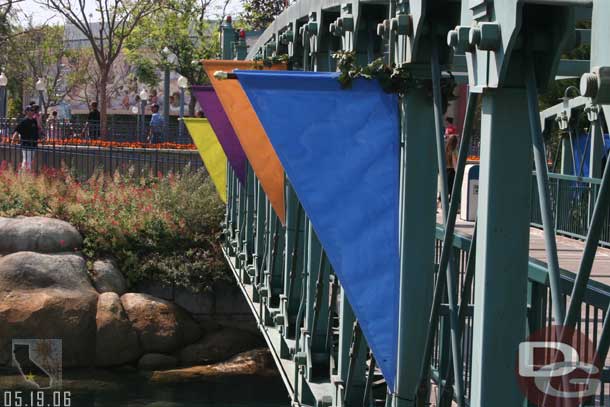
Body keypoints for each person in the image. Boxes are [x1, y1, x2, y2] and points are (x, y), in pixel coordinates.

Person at [12, 106, 40, 171]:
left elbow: (38, 128)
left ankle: (23, 174)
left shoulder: (34, 121)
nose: (33, 111)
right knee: (27, 160)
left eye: (33, 110)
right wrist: (13, 141)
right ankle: (26, 174)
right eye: (31, 110)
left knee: (30, 160)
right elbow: (17, 131)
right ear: (27, 112)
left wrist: (38, 118)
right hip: (26, 144)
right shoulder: (23, 122)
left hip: (33, 144)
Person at [446, 134, 459, 201]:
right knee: (452, 189)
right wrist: (458, 173)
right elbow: (455, 163)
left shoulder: (446, 150)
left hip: (446, 171)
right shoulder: (454, 151)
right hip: (452, 172)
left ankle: (441, 202)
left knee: (446, 188)